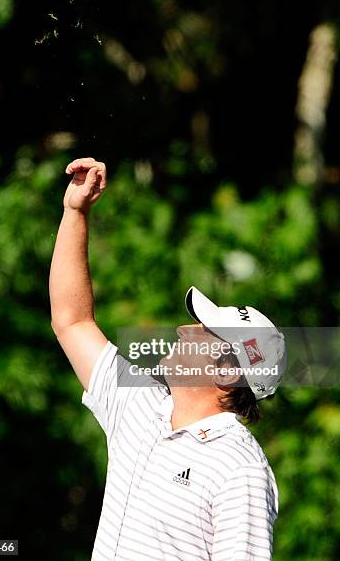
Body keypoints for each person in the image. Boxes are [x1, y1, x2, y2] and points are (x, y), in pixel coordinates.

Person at [49, 157, 287, 560]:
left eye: (204, 331)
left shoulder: (239, 469)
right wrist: (75, 213)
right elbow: (72, 321)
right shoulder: (141, 406)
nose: (183, 330)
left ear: (228, 372)